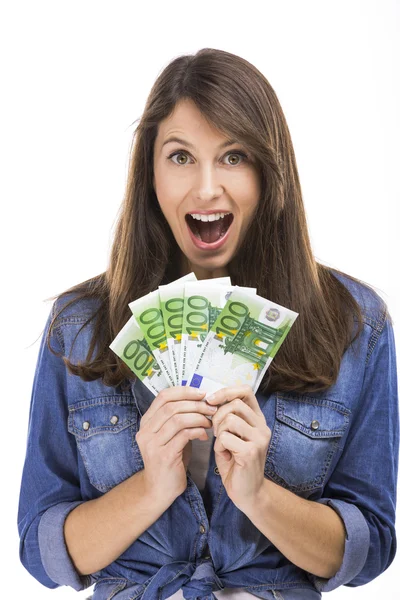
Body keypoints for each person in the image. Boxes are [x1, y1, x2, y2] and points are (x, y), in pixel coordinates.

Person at [17, 48, 399, 600]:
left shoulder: (356, 324)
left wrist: (258, 495)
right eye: (179, 157)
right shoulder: (78, 326)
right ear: (149, 171)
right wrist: (152, 487)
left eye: (234, 156)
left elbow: (370, 548)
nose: (205, 188)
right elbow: (40, 549)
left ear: (270, 173)